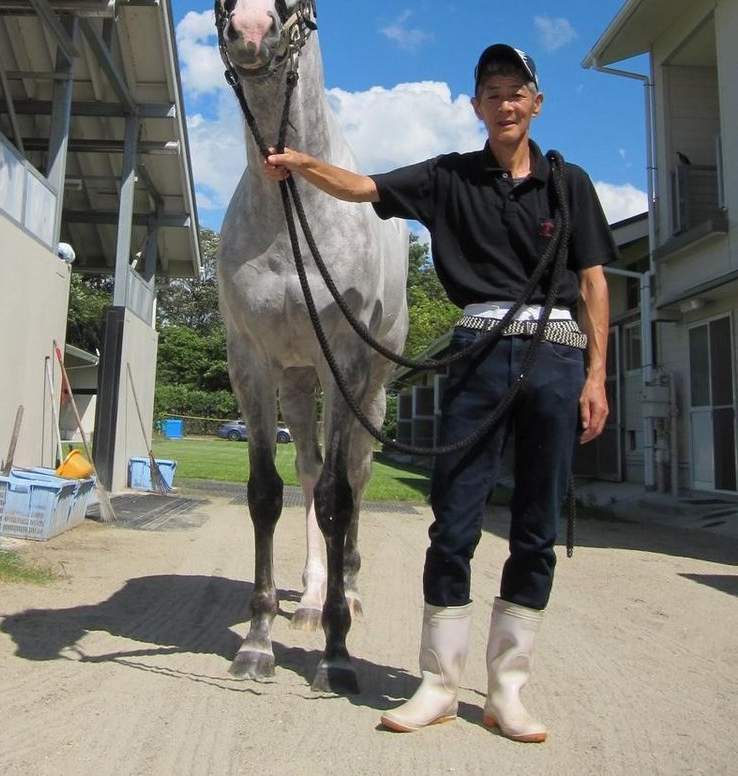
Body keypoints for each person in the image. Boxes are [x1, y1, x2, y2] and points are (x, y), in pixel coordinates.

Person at [263, 43, 616, 743]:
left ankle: (508, 688)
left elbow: (594, 283)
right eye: (492, 93)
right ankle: (438, 683)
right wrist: (303, 165)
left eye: (517, 92)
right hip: (478, 353)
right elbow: (364, 188)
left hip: (556, 359)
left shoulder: (568, 183)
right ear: (478, 107)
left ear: (536, 103)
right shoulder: (450, 178)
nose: (506, 103)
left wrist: (598, 378)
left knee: (536, 529)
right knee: (454, 522)